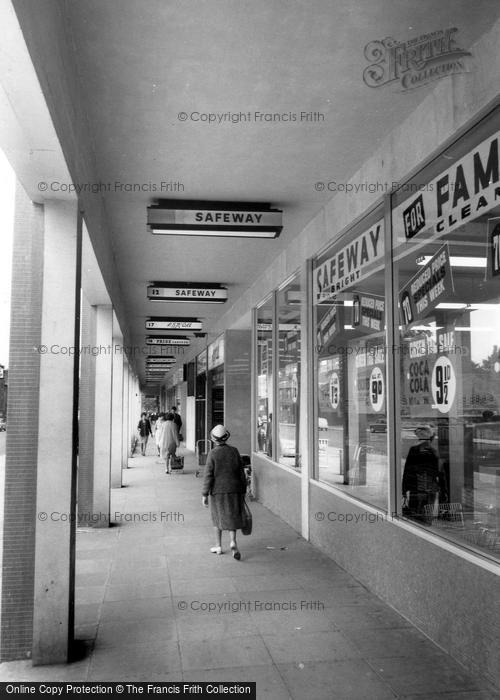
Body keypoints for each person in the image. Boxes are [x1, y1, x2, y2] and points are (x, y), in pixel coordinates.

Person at [201, 424, 247, 559]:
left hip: (218, 491)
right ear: (227, 437)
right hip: (235, 489)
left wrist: (204, 493)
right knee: (231, 515)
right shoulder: (234, 451)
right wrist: (243, 489)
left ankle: (218, 546)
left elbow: (208, 475)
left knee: (217, 517)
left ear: (214, 439)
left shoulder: (213, 453)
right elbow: (241, 472)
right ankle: (233, 541)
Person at [402, 424, 445, 522]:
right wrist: (443, 489)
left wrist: (404, 488)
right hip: (427, 487)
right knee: (425, 514)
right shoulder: (433, 451)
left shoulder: (415, 450)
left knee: (416, 514)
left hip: (417, 487)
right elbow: (440, 473)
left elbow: (408, 470)